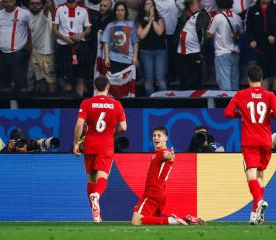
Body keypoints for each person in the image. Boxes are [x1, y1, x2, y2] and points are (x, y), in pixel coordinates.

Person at [224, 64, 276, 225]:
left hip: (249, 141)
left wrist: (240, 114)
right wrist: (268, 114)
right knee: (260, 176)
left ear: (248, 79)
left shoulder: (241, 94)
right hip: (265, 140)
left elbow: (227, 113)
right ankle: (255, 215)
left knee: (251, 175)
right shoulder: (269, 95)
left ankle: (258, 202)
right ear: (262, 79)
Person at [73, 76, 127, 223]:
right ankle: (97, 196)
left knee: (90, 179)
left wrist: (76, 142)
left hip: (90, 144)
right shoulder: (116, 104)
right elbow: (123, 127)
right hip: (106, 145)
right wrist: (112, 133)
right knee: (102, 177)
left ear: (94, 87)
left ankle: (96, 215)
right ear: (108, 87)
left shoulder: (86, 103)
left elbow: (79, 124)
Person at [131, 126, 203, 225]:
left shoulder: (163, 153)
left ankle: (173, 221)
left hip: (153, 192)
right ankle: (184, 219)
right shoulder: (157, 153)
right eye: (154, 135)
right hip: (159, 191)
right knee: (153, 219)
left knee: (137, 221)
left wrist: (169, 155)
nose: (156, 138)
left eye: (159, 135)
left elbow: (166, 155)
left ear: (165, 138)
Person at [52, 0, 91, 96]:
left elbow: (88, 29)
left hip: (80, 47)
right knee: (66, 80)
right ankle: (68, 107)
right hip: (64, 48)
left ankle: (79, 106)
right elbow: (54, 29)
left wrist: (81, 35)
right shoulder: (59, 9)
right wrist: (65, 39)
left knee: (80, 78)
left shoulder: (84, 10)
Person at [246, 0, 276, 91]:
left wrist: (275, 37)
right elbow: (249, 28)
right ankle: (265, 102)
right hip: (261, 49)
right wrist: (252, 40)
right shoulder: (252, 9)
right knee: (263, 76)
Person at [0, 0, 32, 92]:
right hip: (2, 54)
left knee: (21, 85)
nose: (7, 4)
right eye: (5, 2)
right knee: (4, 85)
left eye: (10, 1)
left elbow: (33, 29)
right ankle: (6, 106)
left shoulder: (25, 13)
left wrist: (28, 45)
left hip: (18, 53)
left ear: (14, 1)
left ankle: (22, 106)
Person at [174, 0, 210, 90]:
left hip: (195, 53)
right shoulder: (185, 12)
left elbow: (204, 35)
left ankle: (196, 103)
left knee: (196, 81)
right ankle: (184, 103)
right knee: (183, 80)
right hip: (181, 52)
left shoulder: (203, 14)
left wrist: (202, 52)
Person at [206, 0, 242, 91]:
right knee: (234, 81)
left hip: (222, 53)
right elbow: (241, 33)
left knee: (224, 82)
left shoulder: (217, 17)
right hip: (235, 52)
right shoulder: (237, 17)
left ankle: (227, 103)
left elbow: (208, 34)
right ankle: (235, 103)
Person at [136, 0, 167, 96]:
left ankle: (165, 102)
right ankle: (152, 102)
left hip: (160, 51)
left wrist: (152, 19)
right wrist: (149, 21)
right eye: (147, 4)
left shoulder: (160, 19)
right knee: (149, 80)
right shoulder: (139, 20)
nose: (150, 6)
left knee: (160, 79)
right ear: (143, 6)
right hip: (146, 52)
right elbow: (141, 35)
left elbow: (159, 32)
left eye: (151, 4)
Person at [102, 1, 139, 73]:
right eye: (117, 10)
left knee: (128, 83)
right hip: (114, 59)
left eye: (122, 10)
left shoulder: (131, 24)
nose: (120, 12)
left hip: (128, 59)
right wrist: (106, 57)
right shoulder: (110, 25)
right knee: (115, 83)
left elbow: (135, 42)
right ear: (115, 12)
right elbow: (106, 42)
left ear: (125, 11)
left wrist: (135, 57)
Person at [28, 0, 57, 93]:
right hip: (35, 51)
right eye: (32, 3)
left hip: (47, 53)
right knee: (40, 79)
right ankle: (42, 102)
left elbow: (48, 9)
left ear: (42, 5)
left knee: (51, 80)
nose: (35, 5)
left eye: (38, 3)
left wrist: (48, 4)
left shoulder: (46, 13)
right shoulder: (28, 15)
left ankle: (52, 104)